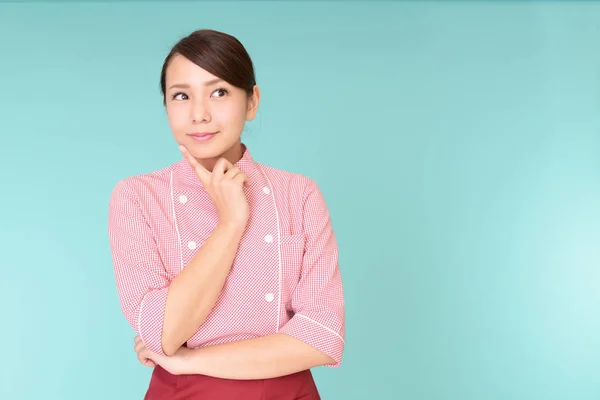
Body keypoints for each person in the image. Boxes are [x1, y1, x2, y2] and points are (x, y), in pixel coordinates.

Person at [107, 28, 345, 399]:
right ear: (166, 106)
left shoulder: (298, 195)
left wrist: (190, 360)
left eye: (219, 92)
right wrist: (232, 222)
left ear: (251, 102)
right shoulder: (138, 197)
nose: (199, 114)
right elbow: (163, 332)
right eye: (181, 95)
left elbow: (321, 338)